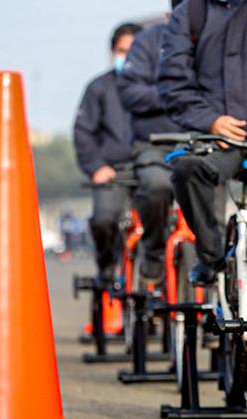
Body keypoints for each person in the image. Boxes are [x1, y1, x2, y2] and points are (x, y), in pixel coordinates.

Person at [159, 0, 247, 286]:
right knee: (187, 170)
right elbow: (172, 83)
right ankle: (213, 257)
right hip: (219, 140)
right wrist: (211, 120)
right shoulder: (191, 13)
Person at [117, 1, 186, 286]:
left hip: (202, 141)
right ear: (172, 14)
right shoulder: (147, 42)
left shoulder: (218, 40)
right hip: (153, 144)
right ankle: (154, 250)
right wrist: (174, 96)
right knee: (157, 186)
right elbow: (129, 91)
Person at [72, 22, 142, 283]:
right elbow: (83, 132)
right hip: (113, 172)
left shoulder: (159, 86)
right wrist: (96, 166)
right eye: (122, 50)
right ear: (113, 51)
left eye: (133, 51)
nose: (127, 57)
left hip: (149, 167)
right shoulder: (98, 88)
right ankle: (107, 265)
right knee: (103, 219)